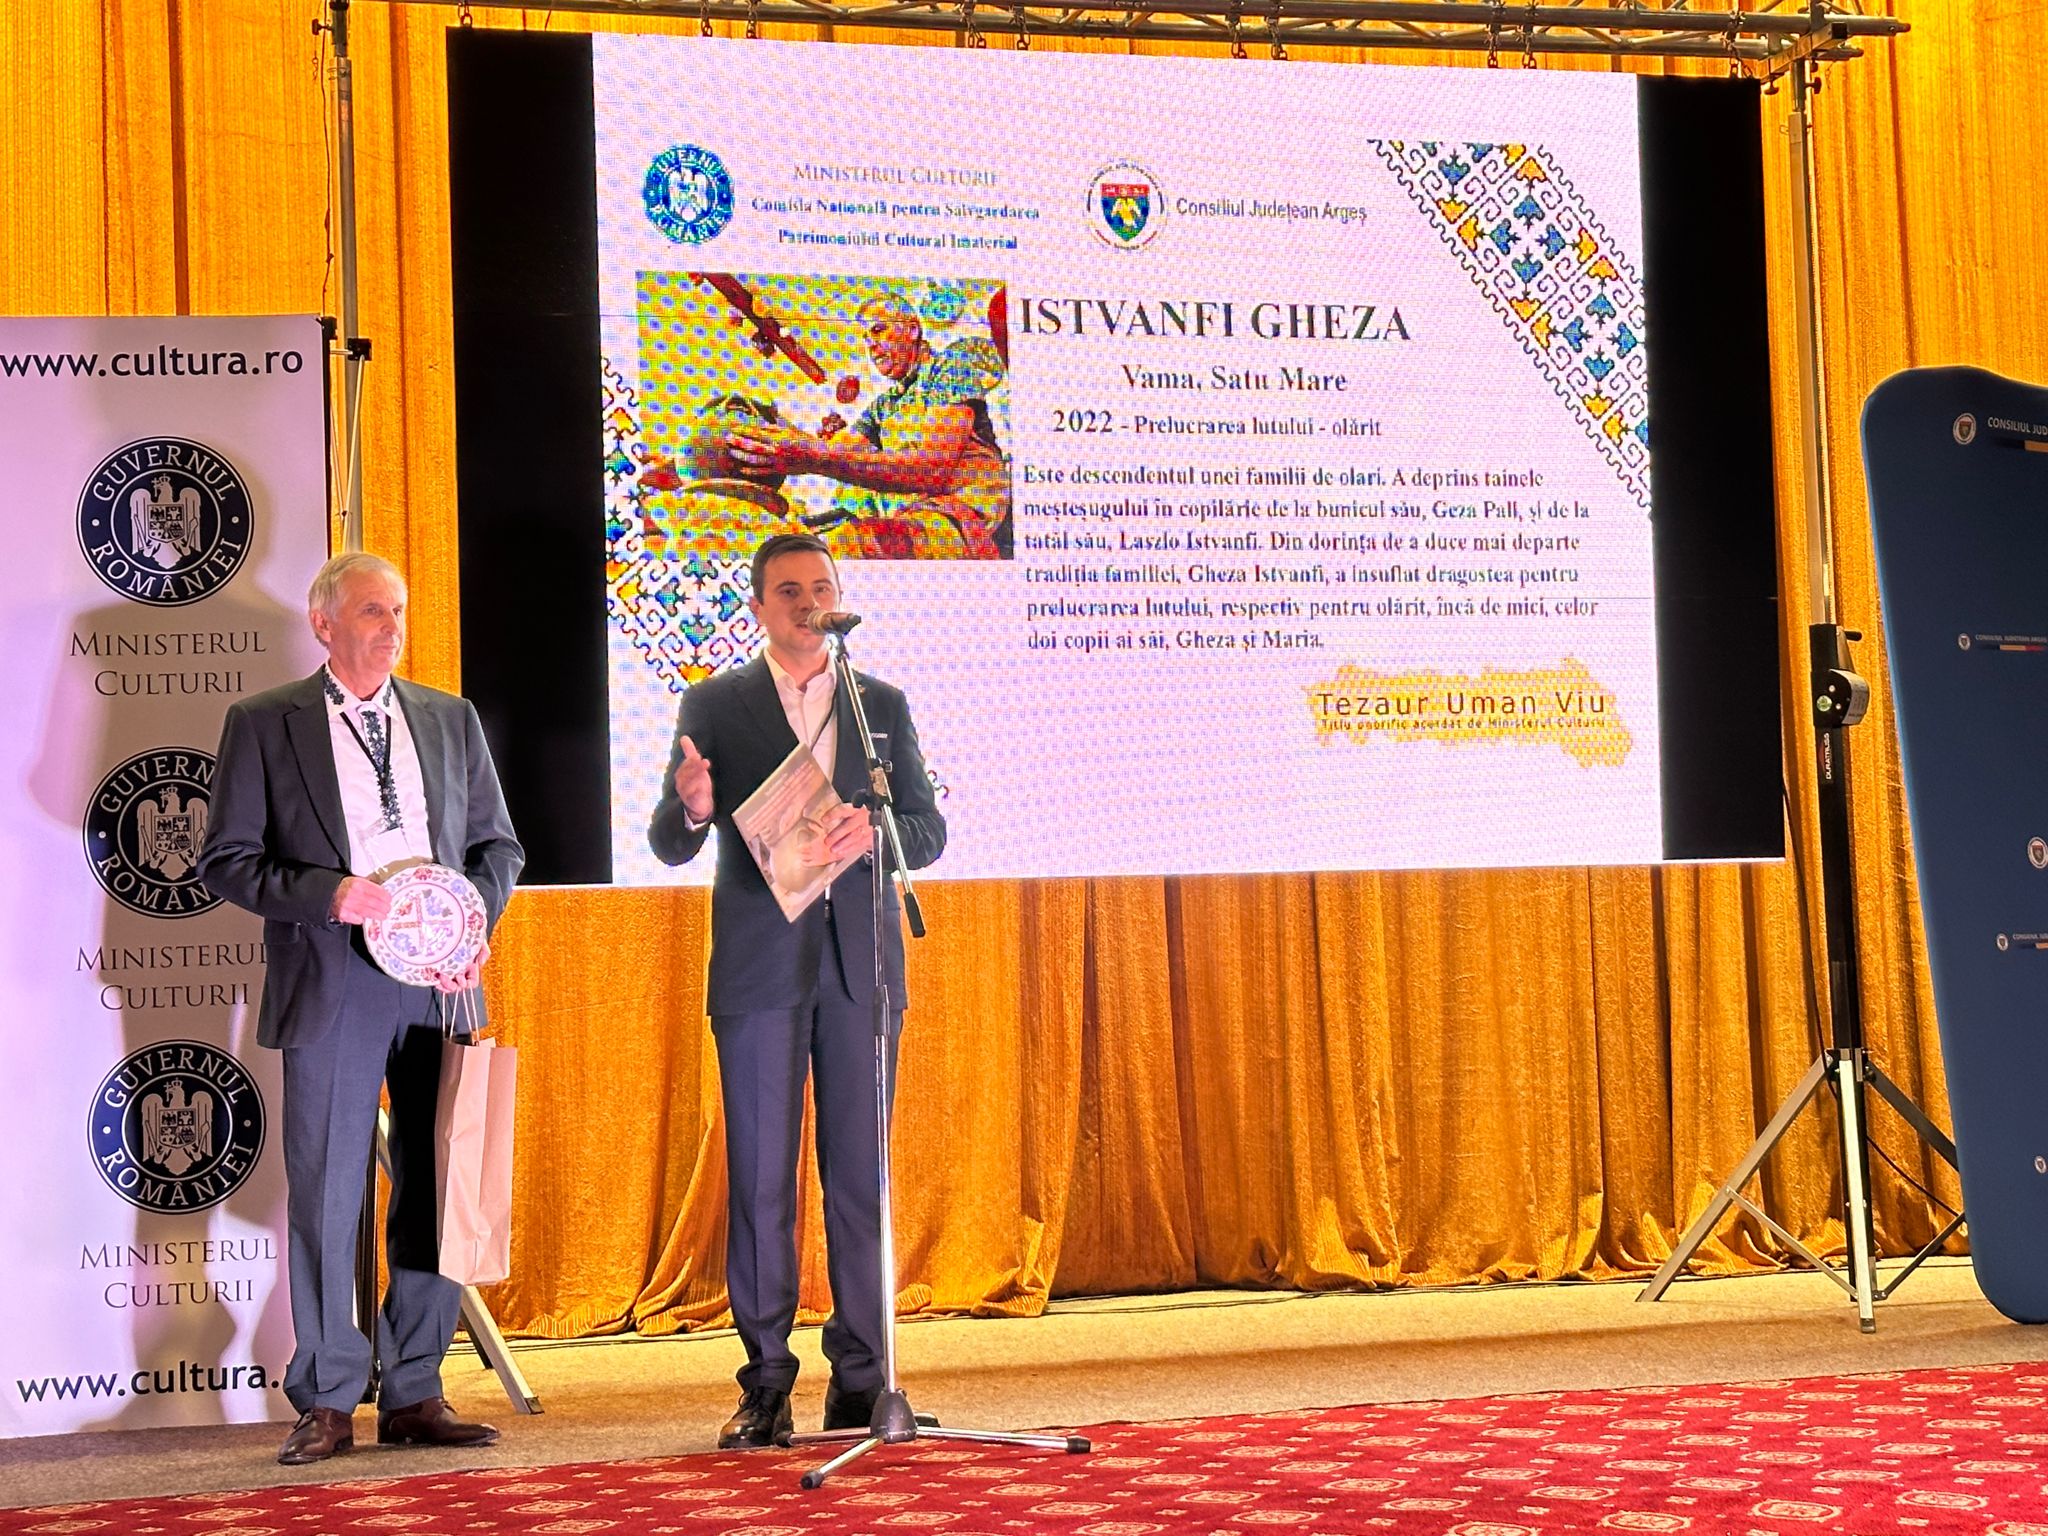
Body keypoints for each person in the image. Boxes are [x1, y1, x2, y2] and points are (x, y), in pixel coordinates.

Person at [197, 551, 524, 1466]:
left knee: (439, 1179)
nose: (391, 627)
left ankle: (415, 1387)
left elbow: (498, 847)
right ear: (324, 623)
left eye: (399, 611)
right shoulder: (264, 723)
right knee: (327, 1188)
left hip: (442, 981)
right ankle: (329, 1394)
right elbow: (227, 860)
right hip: (332, 975)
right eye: (373, 611)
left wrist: (469, 921)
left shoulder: (450, 718)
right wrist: (331, 894)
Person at [648, 532, 946, 1448]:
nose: (809, 603)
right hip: (759, 969)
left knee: (861, 1178)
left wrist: (875, 837)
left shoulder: (878, 702)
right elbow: (668, 839)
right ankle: (766, 1383)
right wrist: (693, 807)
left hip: (862, 966)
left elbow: (928, 831)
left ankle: (863, 1379)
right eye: (789, 591)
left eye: (821, 587)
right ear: (758, 607)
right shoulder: (715, 702)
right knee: (762, 1181)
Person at [727, 293, 1011, 561]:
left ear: (912, 330)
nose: (871, 346)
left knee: (839, 547)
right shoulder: (883, 405)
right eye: (866, 338)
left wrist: (812, 457)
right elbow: (834, 450)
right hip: (917, 516)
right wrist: (775, 433)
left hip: (968, 513)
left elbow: (931, 470)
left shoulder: (949, 367)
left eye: (878, 330)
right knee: (796, 543)